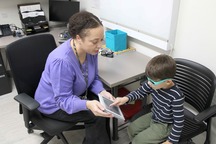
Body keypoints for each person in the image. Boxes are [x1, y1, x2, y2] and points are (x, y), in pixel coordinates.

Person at [35, 11, 114, 144]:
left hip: (74, 94)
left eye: (101, 40)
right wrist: (87, 104)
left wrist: (102, 91)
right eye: (95, 41)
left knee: (104, 106)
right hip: (54, 105)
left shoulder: (91, 50)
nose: (99, 46)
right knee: (96, 115)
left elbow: (92, 77)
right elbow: (63, 100)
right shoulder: (62, 61)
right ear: (78, 38)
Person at [111, 54, 184, 144]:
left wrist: (171, 141)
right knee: (131, 129)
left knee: (138, 141)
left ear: (168, 81)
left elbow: (179, 122)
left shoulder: (176, 96)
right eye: (148, 79)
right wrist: (125, 98)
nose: (148, 83)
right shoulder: (153, 84)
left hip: (165, 124)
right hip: (155, 115)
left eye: (152, 81)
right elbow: (139, 92)